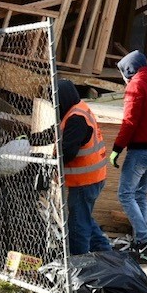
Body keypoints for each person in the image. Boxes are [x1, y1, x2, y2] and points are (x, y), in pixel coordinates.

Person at [109, 50, 147, 254]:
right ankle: (144, 241)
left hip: (140, 150)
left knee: (125, 194)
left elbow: (130, 121)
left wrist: (117, 148)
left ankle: (143, 240)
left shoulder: (136, 85)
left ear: (129, 70)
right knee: (140, 194)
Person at [55, 77, 113, 255]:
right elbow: (57, 133)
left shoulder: (76, 119)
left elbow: (67, 151)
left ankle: (78, 263)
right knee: (83, 217)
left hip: (85, 181)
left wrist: (49, 162)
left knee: (78, 224)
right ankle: (106, 254)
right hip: (92, 178)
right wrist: (34, 139)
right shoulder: (77, 110)